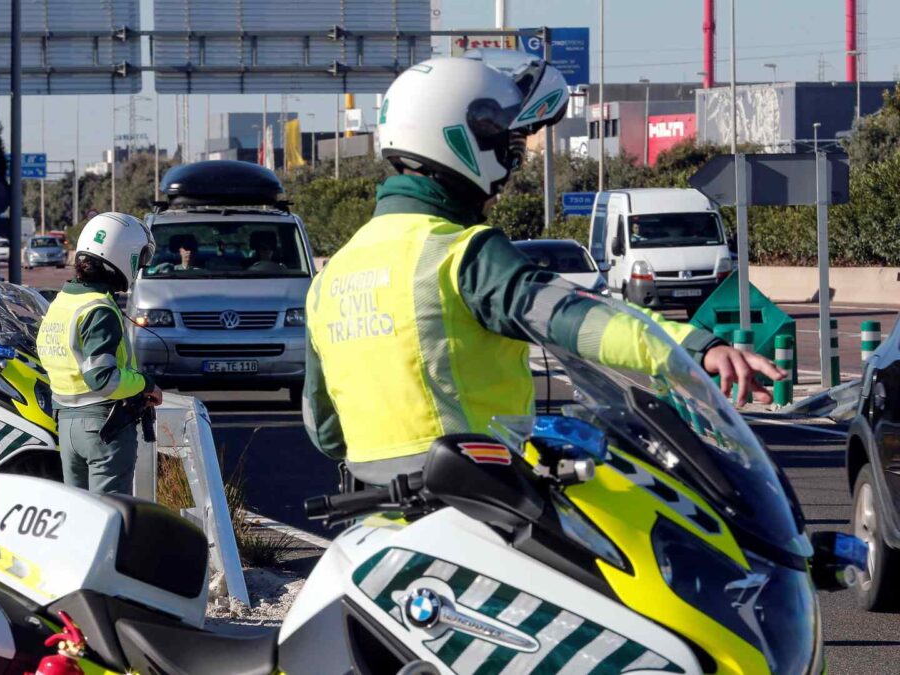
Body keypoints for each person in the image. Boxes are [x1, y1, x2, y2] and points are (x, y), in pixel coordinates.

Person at [303, 55, 784, 485]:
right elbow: (575, 319)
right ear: (463, 143)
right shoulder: (458, 253)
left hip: (377, 517)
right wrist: (690, 348)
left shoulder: (331, 279)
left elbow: (324, 429)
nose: (510, 171)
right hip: (480, 503)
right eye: (510, 151)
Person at [36, 212, 164, 495]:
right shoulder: (99, 309)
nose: (140, 268)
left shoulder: (61, 303)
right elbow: (102, 377)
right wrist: (145, 384)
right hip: (103, 426)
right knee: (109, 518)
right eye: (139, 259)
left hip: (67, 425)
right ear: (123, 255)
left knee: (81, 519)